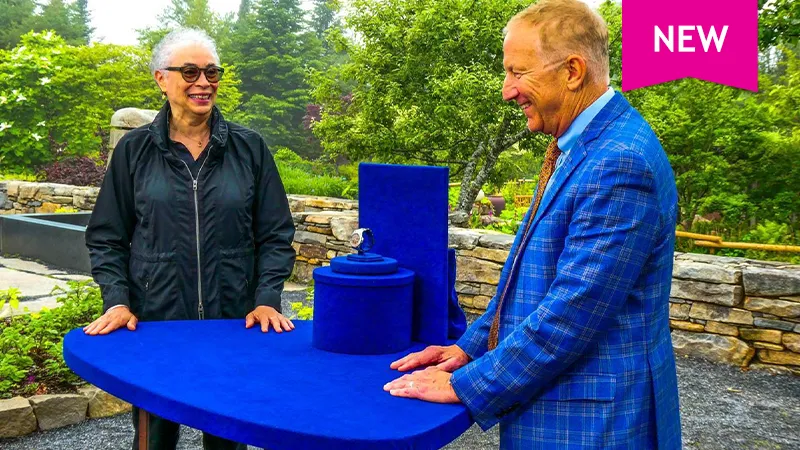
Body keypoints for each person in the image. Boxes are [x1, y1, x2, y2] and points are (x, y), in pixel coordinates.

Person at [384, 1, 682, 448]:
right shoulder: (583, 144)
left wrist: (467, 384)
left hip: (595, 426)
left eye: (517, 72)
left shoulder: (618, 161)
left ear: (573, 71)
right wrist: (470, 347)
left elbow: (573, 311)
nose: (508, 91)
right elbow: (528, 277)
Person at [83, 28, 297, 450]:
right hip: (157, 323)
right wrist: (118, 301)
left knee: (227, 436)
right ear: (162, 79)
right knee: (153, 439)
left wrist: (266, 297)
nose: (204, 82)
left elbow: (276, 235)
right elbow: (107, 237)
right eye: (190, 71)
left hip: (234, 320)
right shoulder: (134, 150)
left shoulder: (249, 148)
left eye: (212, 72)